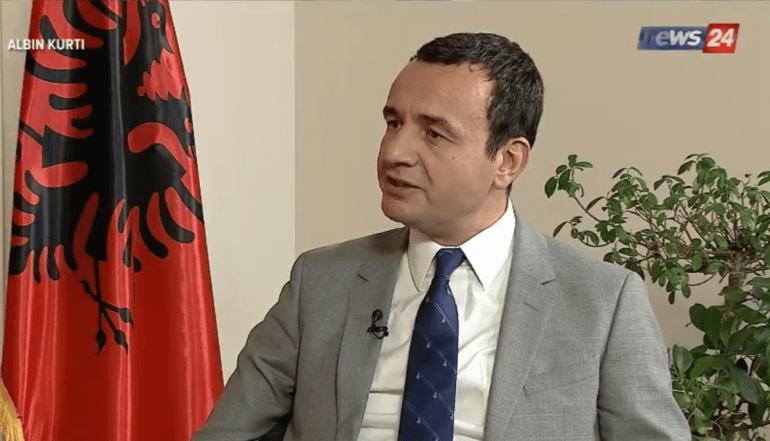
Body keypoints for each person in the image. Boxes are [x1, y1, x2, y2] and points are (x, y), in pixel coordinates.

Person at [192, 32, 690, 441]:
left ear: (507, 160)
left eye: (434, 133)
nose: (394, 152)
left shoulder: (603, 302)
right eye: (393, 123)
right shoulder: (320, 282)